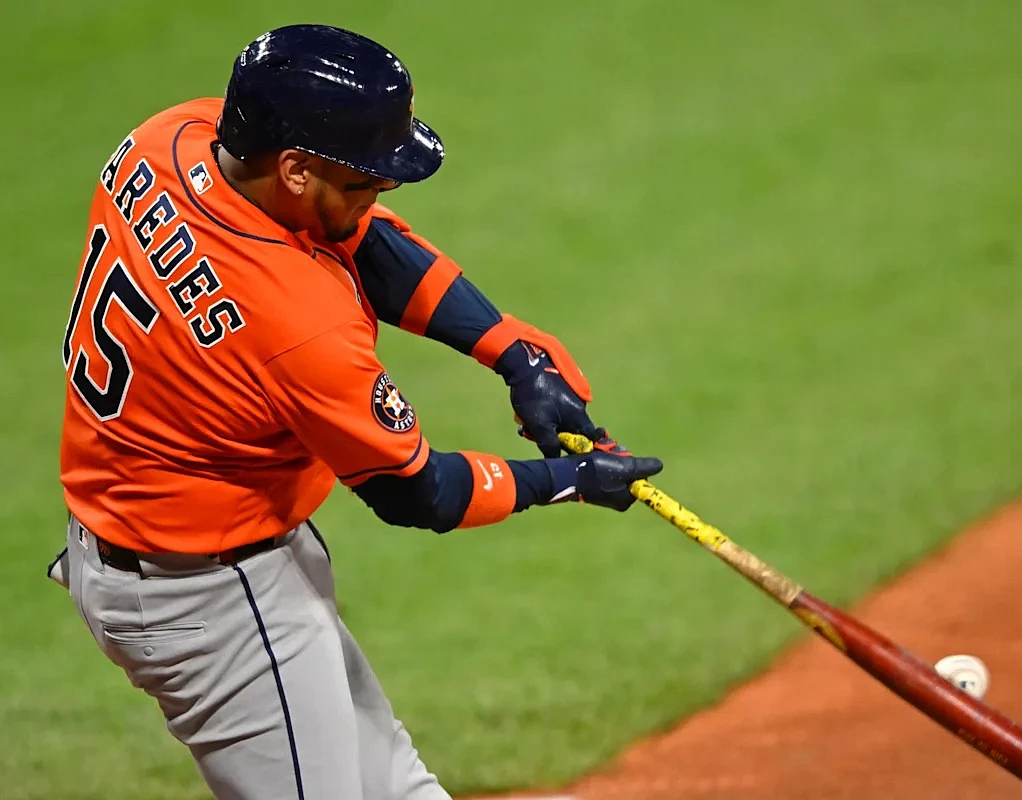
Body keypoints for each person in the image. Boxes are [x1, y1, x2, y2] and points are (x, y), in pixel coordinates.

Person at [49, 23, 663, 800]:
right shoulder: (298, 326)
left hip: (162, 543)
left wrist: (512, 352)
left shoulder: (167, 141)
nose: (381, 194)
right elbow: (419, 493)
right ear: (296, 168)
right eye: (365, 178)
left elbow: (362, 240)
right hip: (210, 601)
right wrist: (569, 479)